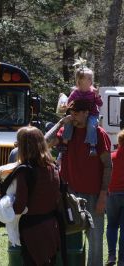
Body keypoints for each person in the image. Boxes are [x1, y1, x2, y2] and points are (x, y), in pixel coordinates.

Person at [45, 99, 112, 266]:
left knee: (95, 240)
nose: (72, 116)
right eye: (70, 112)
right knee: (65, 236)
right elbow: (44, 143)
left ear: (86, 113)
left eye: (76, 113)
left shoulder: (98, 133)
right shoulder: (65, 131)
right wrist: (61, 122)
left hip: (94, 194)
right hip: (69, 193)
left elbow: (108, 165)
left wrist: (103, 195)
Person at [0, 126, 61, 265]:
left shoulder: (25, 171)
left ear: (22, 146)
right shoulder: (53, 167)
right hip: (52, 227)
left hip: (32, 231)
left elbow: (19, 207)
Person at [61, 66, 103, 156]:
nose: (90, 81)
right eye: (87, 78)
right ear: (79, 80)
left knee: (91, 124)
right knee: (68, 122)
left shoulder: (93, 92)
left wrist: (98, 96)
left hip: (91, 114)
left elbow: (100, 104)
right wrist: (66, 107)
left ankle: (92, 145)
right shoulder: (75, 93)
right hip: (77, 114)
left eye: (90, 79)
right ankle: (64, 143)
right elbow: (69, 104)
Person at [106, 130, 124, 266]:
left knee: (111, 226)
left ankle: (111, 255)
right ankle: (122, 259)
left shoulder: (112, 157)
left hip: (112, 195)